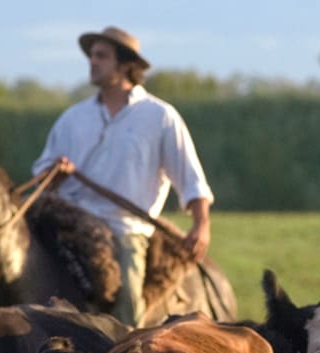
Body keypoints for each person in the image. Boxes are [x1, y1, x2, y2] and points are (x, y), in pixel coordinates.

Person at [32, 26, 214, 326]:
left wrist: (201, 224)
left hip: (124, 229)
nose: (92, 61)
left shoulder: (160, 116)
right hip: (65, 221)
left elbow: (191, 178)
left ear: (126, 65)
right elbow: (41, 175)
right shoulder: (73, 118)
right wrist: (54, 174)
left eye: (101, 56)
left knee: (127, 302)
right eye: (91, 55)